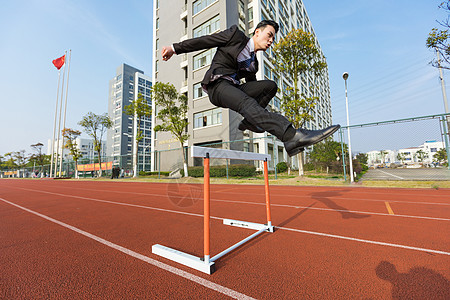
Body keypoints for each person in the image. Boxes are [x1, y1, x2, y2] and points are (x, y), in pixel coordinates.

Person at [161, 20, 339, 157]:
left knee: (270, 86)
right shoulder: (235, 36)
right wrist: (174, 48)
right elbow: (205, 41)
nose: (271, 41)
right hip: (217, 86)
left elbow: (255, 91)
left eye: (273, 39)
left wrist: (257, 115)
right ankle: (291, 136)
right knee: (246, 102)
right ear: (257, 32)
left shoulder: (254, 65)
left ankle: (249, 122)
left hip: (233, 88)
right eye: (269, 35)